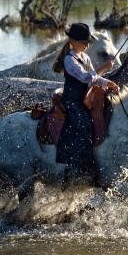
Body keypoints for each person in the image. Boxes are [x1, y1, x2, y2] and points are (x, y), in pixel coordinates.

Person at [52, 23, 117, 184]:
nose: (86, 45)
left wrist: (108, 83)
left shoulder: (85, 58)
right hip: (72, 101)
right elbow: (86, 78)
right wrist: (105, 68)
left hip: (84, 99)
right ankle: (79, 166)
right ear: (73, 41)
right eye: (83, 42)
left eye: (87, 42)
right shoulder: (69, 60)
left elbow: (94, 78)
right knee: (84, 124)